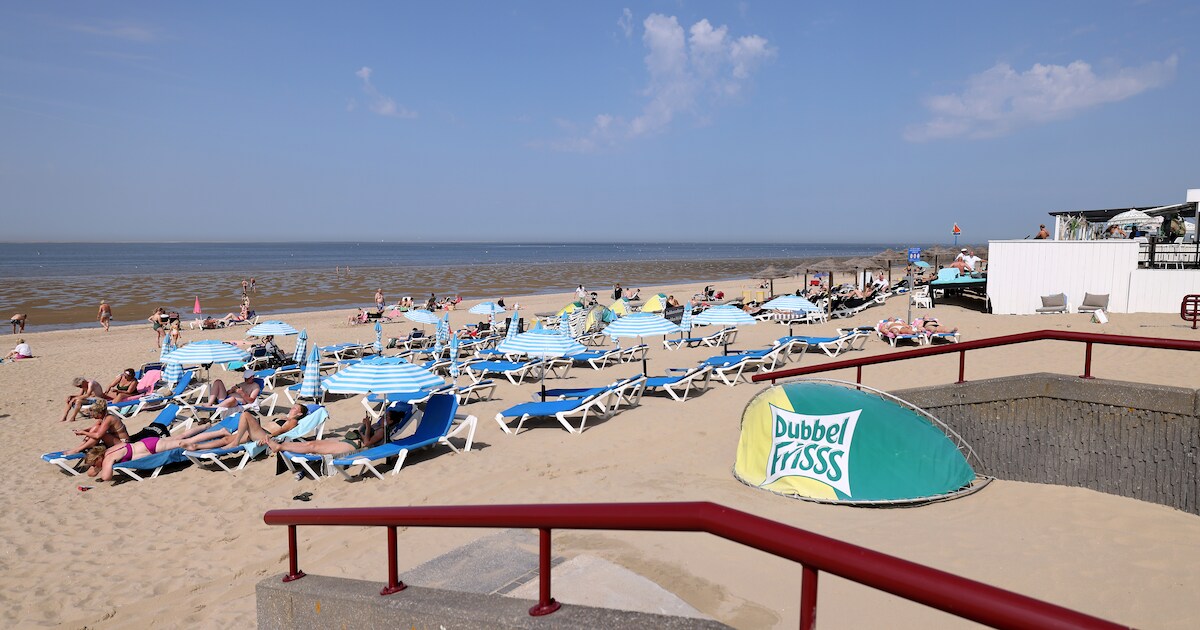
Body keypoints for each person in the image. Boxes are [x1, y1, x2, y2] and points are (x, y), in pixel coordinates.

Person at [266, 412, 400, 458]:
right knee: (315, 444)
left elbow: (366, 443)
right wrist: (365, 425)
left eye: (386, 417)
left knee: (313, 446)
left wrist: (368, 427)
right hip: (347, 441)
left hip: (354, 446)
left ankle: (279, 447)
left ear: (391, 421)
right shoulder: (378, 426)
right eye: (384, 415)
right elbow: (360, 431)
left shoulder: (382, 430)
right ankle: (281, 445)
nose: (383, 418)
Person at [180, 405, 310, 452]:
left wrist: (270, 436)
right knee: (226, 439)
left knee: (246, 414)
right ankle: (197, 447)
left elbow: (283, 431)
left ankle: (236, 442)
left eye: (295, 408)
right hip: (259, 432)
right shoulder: (286, 418)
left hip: (265, 435)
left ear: (299, 414)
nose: (292, 408)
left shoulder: (293, 421)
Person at [61, 401, 130, 456]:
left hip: (123, 443)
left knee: (99, 433)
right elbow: (93, 428)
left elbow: (98, 435)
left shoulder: (109, 419)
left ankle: (78, 449)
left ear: (101, 412)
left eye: (94, 414)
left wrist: (83, 432)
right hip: (114, 440)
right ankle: (79, 447)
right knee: (96, 428)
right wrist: (83, 430)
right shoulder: (103, 418)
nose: (93, 416)